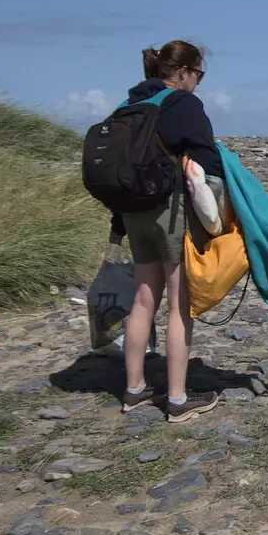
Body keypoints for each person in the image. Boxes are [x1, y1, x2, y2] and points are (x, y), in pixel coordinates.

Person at [108, 40, 224, 422]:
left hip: (132, 212)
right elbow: (208, 159)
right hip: (168, 210)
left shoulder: (128, 107)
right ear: (185, 73)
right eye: (198, 75)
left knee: (143, 299)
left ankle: (135, 390)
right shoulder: (182, 103)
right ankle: (177, 399)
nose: (199, 83)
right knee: (179, 304)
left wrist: (117, 225)